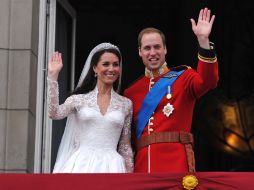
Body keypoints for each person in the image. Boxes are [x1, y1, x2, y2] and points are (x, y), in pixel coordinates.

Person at [124, 8, 219, 172]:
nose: (152, 53)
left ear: (165, 49)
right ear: (140, 52)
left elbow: (208, 81)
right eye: (147, 48)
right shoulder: (131, 92)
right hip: (142, 166)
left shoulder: (184, 77)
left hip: (175, 163)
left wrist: (203, 41)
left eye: (157, 47)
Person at [47, 42, 134, 173]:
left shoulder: (126, 104)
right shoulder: (78, 100)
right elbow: (54, 113)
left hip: (113, 167)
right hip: (82, 164)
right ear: (94, 68)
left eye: (115, 64)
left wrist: (130, 178)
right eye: (106, 64)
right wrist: (53, 76)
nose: (111, 69)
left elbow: (125, 146)